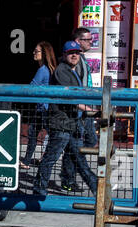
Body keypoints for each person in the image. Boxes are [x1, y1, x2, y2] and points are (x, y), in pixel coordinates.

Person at [33, 42, 97, 196]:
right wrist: (91, 111)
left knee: (80, 160)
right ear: (64, 55)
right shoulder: (62, 71)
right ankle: (39, 190)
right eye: (70, 53)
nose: (74, 55)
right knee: (51, 158)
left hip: (72, 123)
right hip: (61, 123)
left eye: (77, 52)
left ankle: (97, 189)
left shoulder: (72, 70)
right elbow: (70, 97)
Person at [22, 40, 55, 168]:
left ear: (44, 53)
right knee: (35, 133)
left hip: (43, 108)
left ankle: (30, 161)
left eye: (37, 51)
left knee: (34, 134)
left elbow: (32, 87)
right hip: (45, 107)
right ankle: (29, 160)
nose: (33, 53)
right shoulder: (48, 69)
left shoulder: (42, 70)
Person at [72, 26, 98, 149]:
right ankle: (80, 168)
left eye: (91, 39)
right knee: (84, 140)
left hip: (84, 105)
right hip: (80, 106)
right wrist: (81, 105)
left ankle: (70, 168)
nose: (91, 42)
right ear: (78, 41)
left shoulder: (82, 59)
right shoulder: (76, 61)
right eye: (87, 39)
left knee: (84, 140)